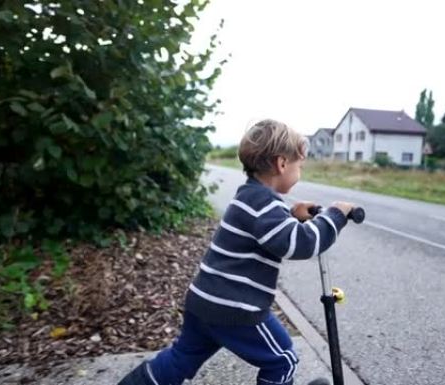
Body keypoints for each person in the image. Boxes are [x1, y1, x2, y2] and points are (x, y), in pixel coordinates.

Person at [118, 119, 355, 385]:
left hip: (204, 300)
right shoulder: (263, 203)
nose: (300, 172)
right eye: (299, 166)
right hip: (235, 308)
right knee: (283, 359)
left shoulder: (250, 196)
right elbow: (300, 243)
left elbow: (265, 228)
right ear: (281, 164)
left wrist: (291, 213)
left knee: (181, 357)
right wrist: (335, 215)